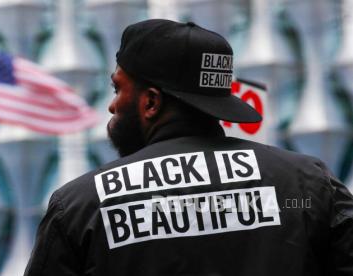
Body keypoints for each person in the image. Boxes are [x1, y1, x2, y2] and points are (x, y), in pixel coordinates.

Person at [24, 19, 353, 276]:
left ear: (151, 102)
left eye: (117, 89)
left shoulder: (82, 206)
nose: (111, 107)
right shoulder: (308, 183)